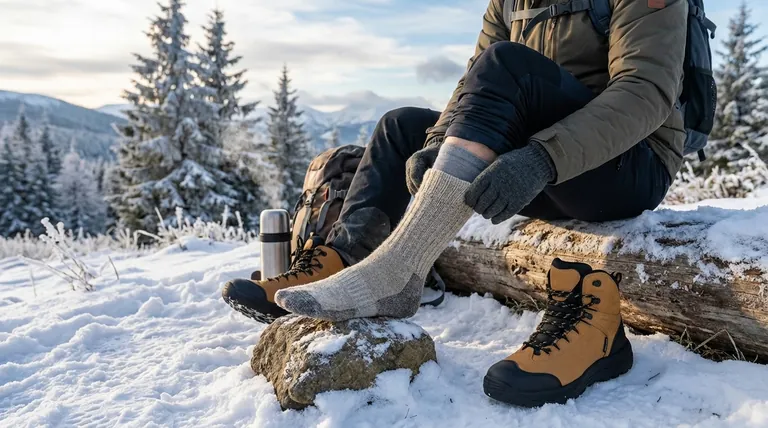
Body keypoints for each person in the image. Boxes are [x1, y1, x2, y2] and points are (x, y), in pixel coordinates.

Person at [223, 0, 687, 407]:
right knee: (400, 126)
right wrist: (438, 141)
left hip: (628, 165)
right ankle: (341, 259)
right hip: (537, 160)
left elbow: (646, 91)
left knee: (507, 62)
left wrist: (542, 158)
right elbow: (474, 84)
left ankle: (397, 272)